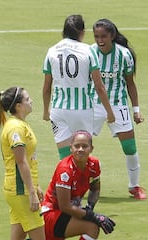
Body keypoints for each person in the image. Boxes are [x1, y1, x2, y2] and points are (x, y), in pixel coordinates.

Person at [42, 14, 115, 160]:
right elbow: (99, 86)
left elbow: (47, 87)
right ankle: (82, 183)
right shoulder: (89, 50)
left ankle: (67, 182)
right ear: (81, 32)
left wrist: (45, 111)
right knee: (82, 153)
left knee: (64, 155)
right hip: (82, 110)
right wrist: (109, 112)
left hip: (58, 109)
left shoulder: (52, 51)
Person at [90, 18, 147, 200]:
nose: (100, 40)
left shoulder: (124, 55)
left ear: (112, 36)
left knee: (129, 146)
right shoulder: (89, 52)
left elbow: (130, 83)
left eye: (104, 36)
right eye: (97, 36)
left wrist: (136, 109)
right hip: (93, 104)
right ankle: (80, 184)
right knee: (81, 144)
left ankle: (134, 186)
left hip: (118, 104)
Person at [41, 130, 116, 240]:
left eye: (85, 146)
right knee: (92, 227)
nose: (80, 149)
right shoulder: (65, 169)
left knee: (91, 225)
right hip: (51, 214)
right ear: (71, 148)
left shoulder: (94, 164)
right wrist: (93, 216)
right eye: (77, 146)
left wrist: (89, 209)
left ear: (91, 148)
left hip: (67, 213)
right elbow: (64, 206)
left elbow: (95, 190)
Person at [0, 86, 45, 240]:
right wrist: (32, 193)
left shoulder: (20, 124)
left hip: (20, 190)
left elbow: (28, 160)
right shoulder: (15, 128)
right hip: (21, 191)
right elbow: (21, 162)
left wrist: (36, 186)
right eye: (27, 99)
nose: (31, 101)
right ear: (18, 106)